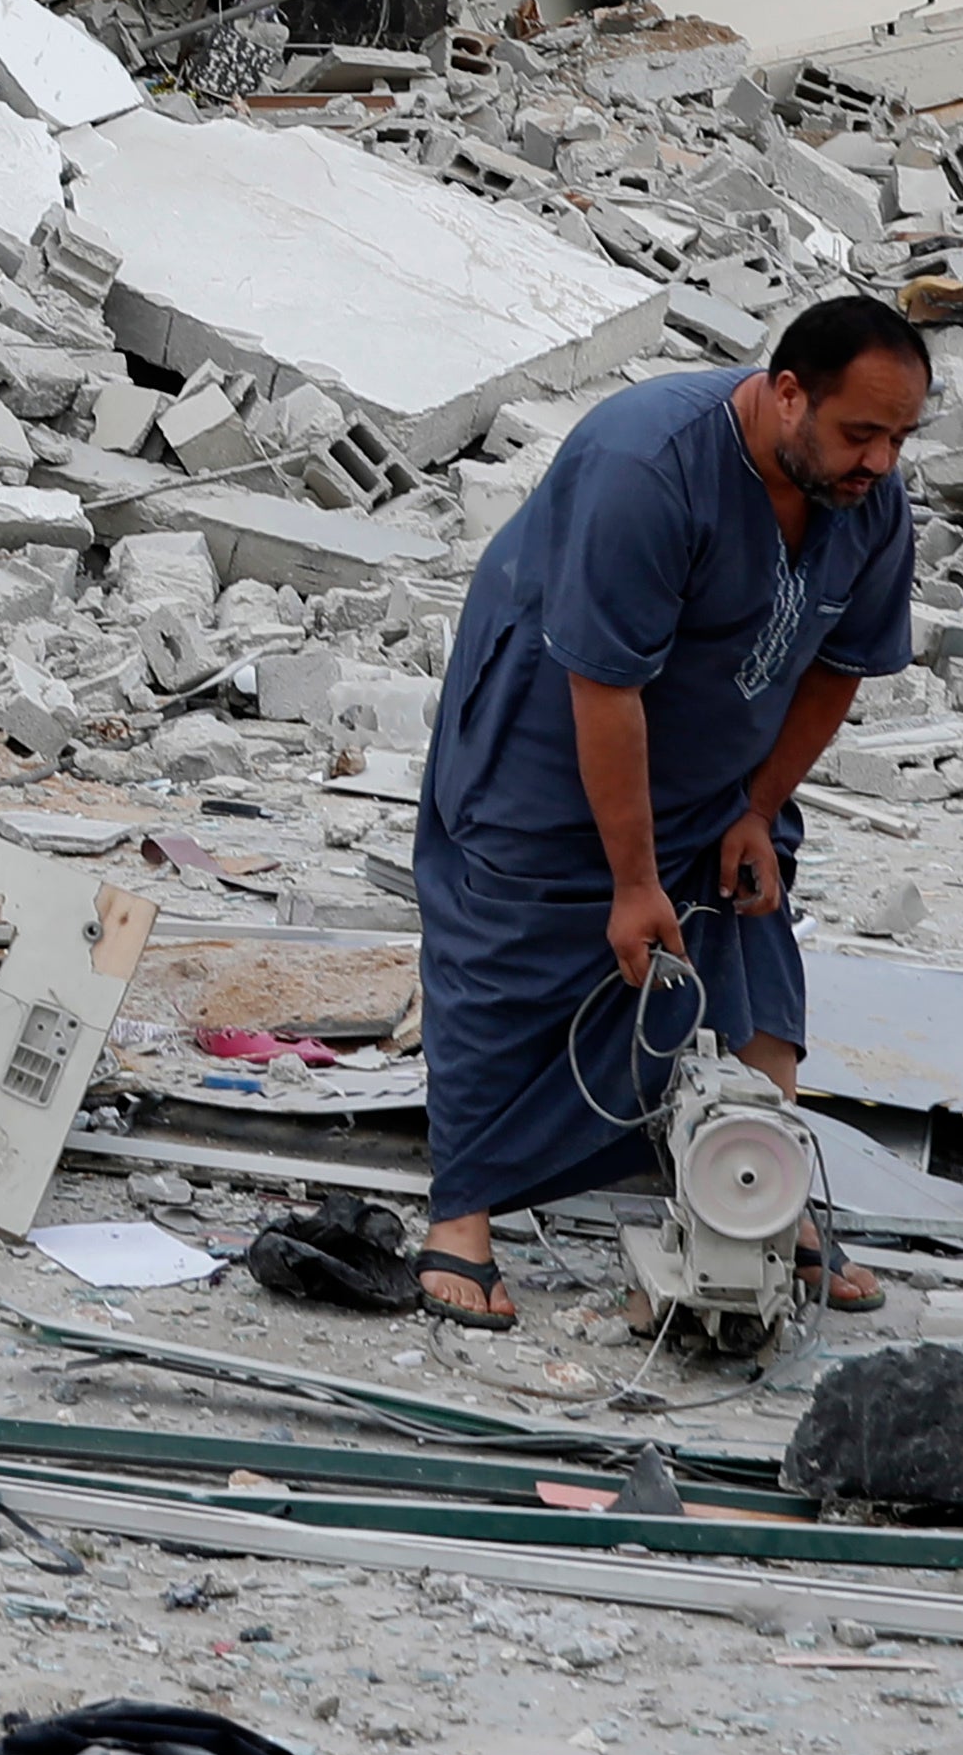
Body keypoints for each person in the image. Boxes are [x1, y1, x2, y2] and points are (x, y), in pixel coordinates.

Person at [400, 295, 933, 1330]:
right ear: (786, 393)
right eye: (858, 432)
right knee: (510, 931)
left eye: (899, 437)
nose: (878, 460)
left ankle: (769, 1197)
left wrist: (757, 804)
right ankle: (460, 1216)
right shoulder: (648, 467)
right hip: (551, 715)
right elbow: (600, 686)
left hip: (720, 733)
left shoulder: (867, 499)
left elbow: (838, 662)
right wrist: (636, 881)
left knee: (751, 916)